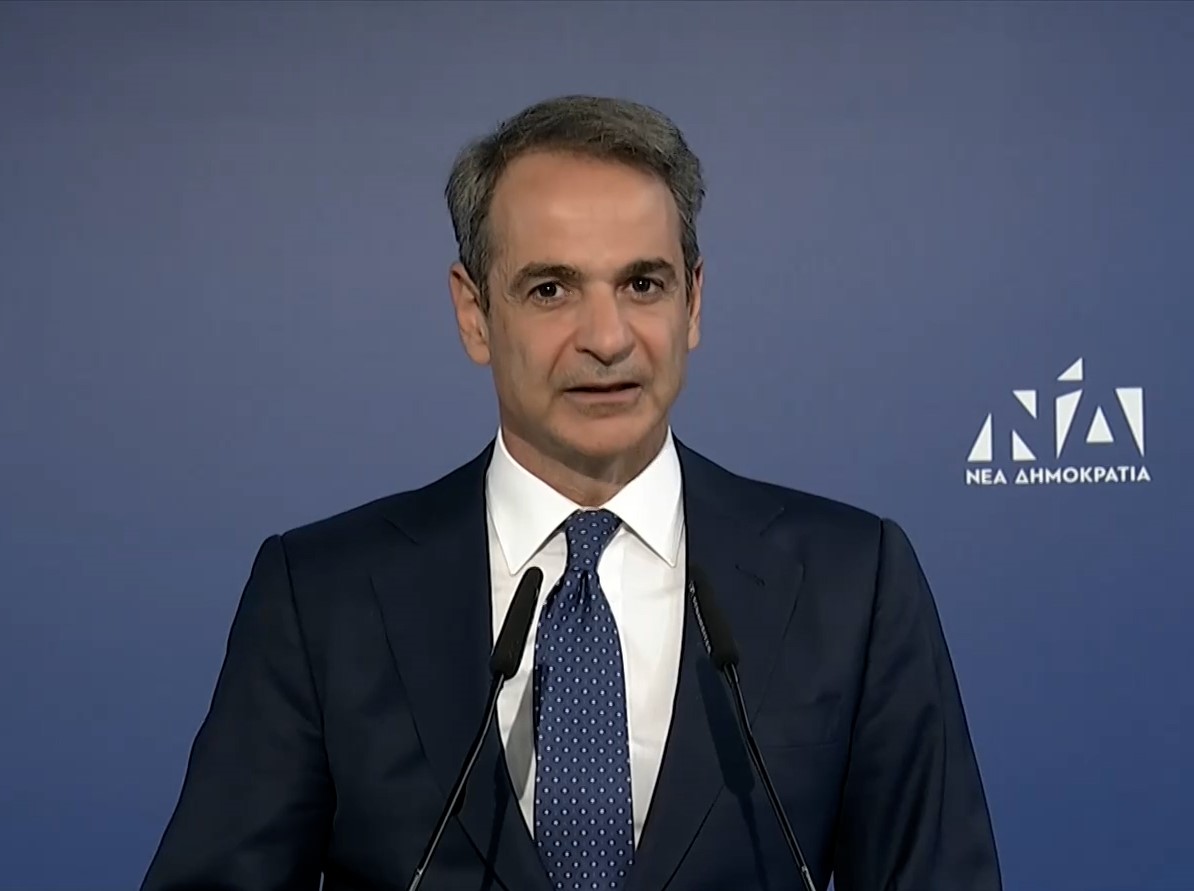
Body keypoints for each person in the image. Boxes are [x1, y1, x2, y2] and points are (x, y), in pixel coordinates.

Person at [142, 95, 1001, 891]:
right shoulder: (322, 596)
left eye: (643, 284)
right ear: (474, 313)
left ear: (694, 302)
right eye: (551, 289)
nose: (606, 337)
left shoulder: (852, 582)